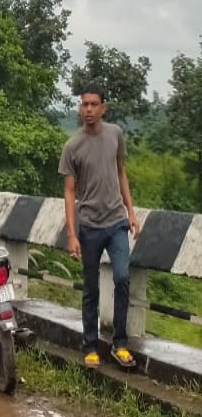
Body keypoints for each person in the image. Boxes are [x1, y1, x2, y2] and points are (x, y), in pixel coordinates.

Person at [62, 83, 138, 370]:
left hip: (117, 221)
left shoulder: (115, 134)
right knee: (90, 288)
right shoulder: (73, 146)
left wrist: (131, 211)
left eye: (94, 104)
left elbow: (121, 172)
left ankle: (120, 344)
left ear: (103, 108)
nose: (89, 110)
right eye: (85, 104)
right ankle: (91, 346)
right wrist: (72, 234)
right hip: (90, 225)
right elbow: (69, 192)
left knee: (122, 277)